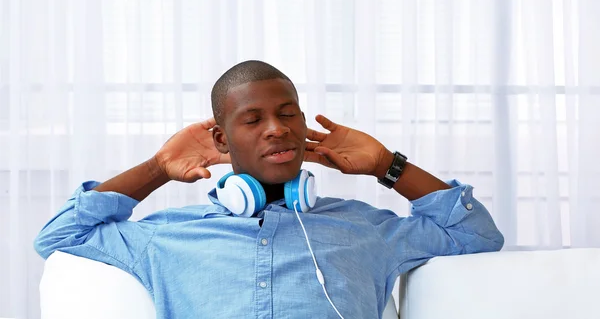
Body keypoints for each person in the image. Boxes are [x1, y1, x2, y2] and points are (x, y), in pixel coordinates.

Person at [34, 60, 504, 319]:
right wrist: (158, 168)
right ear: (222, 139)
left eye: (288, 114)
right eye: (253, 120)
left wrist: (387, 165)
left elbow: (475, 236)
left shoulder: (365, 228)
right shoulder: (165, 236)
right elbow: (58, 238)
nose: (277, 129)